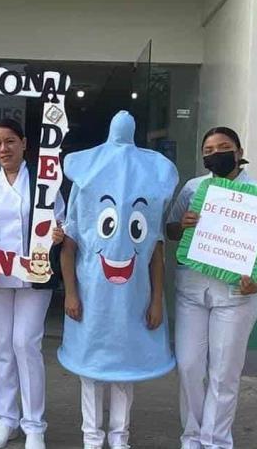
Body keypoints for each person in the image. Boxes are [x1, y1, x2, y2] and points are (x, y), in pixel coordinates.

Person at [57, 111, 178, 449]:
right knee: (92, 369)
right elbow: (69, 247)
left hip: (132, 298)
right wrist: (71, 293)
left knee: (126, 369)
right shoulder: (85, 192)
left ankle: (119, 438)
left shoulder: (148, 198)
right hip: (91, 295)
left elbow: (155, 250)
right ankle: (92, 438)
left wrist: (156, 300)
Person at [166, 126, 257, 449]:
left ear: (238, 151)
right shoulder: (194, 188)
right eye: (208, 149)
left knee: (224, 373)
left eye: (222, 147)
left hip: (235, 296)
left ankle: (216, 441)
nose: (214, 153)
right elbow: (171, 230)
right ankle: (191, 436)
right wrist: (184, 224)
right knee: (189, 365)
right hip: (192, 290)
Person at [0, 119, 65, 449]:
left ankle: (34, 424)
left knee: (26, 344)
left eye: (9, 141)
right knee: (3, 349)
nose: (3, 148)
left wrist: (58, 234)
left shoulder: (43, 181)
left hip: (34, 277)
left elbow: (61, 221)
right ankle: (6, 420)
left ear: (24, 143)